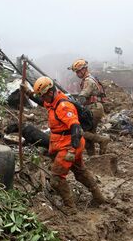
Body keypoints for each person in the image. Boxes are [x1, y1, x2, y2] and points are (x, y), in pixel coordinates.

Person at [23, 76, 106, 214]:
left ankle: (70, 207)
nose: (42, 100)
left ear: (49, 92)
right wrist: (28, 92)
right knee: (80, 172)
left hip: (69, 146)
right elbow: (42, 102)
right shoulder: (52, 100)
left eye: (43, 96)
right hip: (65, 143)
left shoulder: (63, 106)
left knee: (56, 179)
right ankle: (99, 198)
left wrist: (72, 151)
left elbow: (76, 129)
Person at [69, 59, 111, 155]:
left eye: (78, 71)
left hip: (93, 108)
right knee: (90, 135)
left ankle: (103, 140)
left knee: (82, 132)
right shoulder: (90, 79)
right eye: (76, 72)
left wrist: (74, 104)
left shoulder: (88, 81)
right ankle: (94, 158)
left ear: (84, 69)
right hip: (94, 107)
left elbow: (83, 97)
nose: (77, 74)